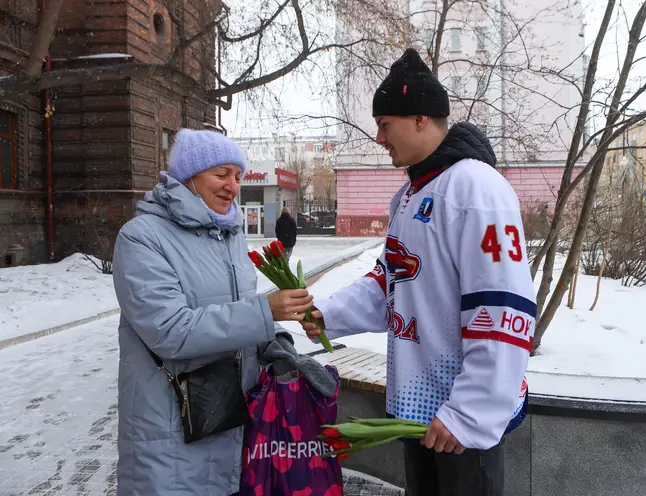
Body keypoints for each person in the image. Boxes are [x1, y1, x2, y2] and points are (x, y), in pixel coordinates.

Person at [300, 48, 534, 496]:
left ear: (421, 119)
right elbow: (389, 283)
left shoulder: (475, 187)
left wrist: (470, 412)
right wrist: (325, 314)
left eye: (385, 125)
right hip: (416, 406)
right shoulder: (408, 195)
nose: (378, 137)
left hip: (461, 419)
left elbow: (503, 307)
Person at [112, 129, 314, 496]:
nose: (233, 186)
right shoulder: (142, 237)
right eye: (221, 174)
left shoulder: (230, 235)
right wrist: (265, 313)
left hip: (233, 427)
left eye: (237, 177)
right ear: (189, 176)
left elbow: (234, 318)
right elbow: (171, 331)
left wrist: (276, 341)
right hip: (172, 434)